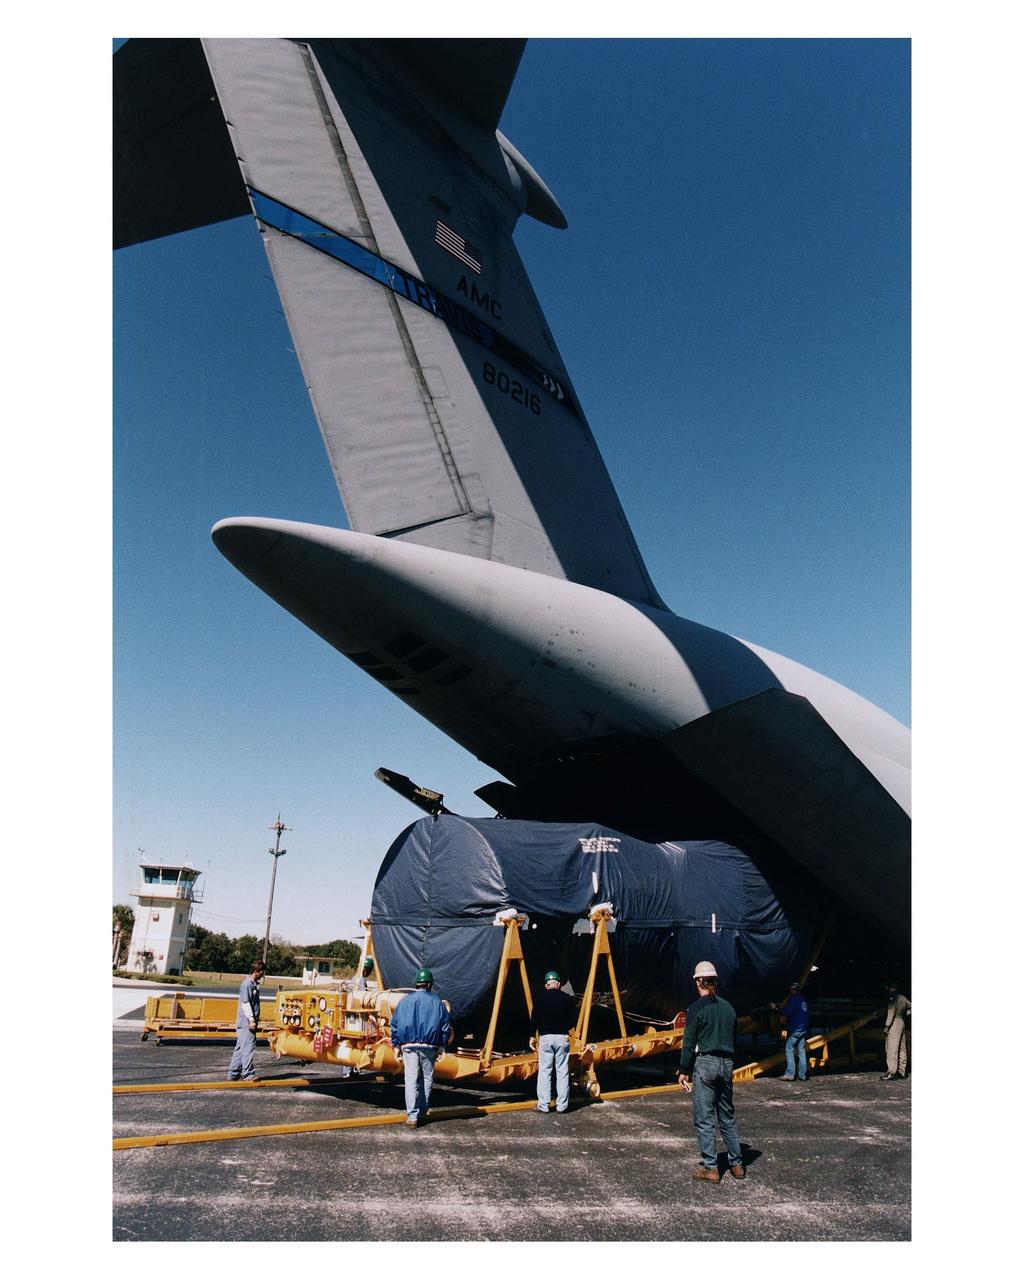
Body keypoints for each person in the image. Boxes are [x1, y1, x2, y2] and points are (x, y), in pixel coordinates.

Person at [678, 961, 745, 1182]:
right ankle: (737, 1164)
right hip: (727, 1064)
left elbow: (688, 1043)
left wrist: (684, 1070)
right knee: (727, 1115)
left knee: (704, 1117)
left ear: (698, 981)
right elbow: (734, 1038)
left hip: (705, 1063)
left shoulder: (697, 1007)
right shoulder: (729, 1008)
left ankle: (711, 1168)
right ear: (715, 981)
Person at [389, 966, 452, 1126]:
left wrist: (396, 1044)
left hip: (408, 1045)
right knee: (427, 1079)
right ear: (429, 984)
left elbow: (395, 1024)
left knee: (410, 1079)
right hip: (429, 1046)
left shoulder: (404, 1001)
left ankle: (412, 1116)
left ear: (417, 983)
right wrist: (442, 1045)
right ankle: (423, 1111)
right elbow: (444, 1025)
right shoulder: (437, 1002)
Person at [530, 970, 577, 1113]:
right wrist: (564, 1027)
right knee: (562, 1071)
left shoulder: (540, 999)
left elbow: (534, 1019)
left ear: (546, 985)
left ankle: (543, 1105)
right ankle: (562, 1106)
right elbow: (573, 1020)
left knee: (545, 1071)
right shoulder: (568, 999)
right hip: (562, 1037)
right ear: (558, 983)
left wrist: (532, 1036)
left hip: (545, 1038)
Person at [227, 959, 265, 1081]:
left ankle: (233, 1073)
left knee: (240, 1048)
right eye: (262, 972)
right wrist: (251, 1020)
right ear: (256, 971)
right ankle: (248, 1074)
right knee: (248, 1047)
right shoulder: (247, 985)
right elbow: (245, 1003)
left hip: (246, 1022)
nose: (263, 975)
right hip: (246, 1023)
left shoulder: (253, 985)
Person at [779, 982, 811, 1081]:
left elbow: (787, 1012)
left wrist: (779, 1009)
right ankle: (803, 1075)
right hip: (803, 1029)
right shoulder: (804, 1000)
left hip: (796, 1029)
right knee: (801, 1051)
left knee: (789, 1049)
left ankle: (790, 1074)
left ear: (792, 990)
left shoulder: (794, 999)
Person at [881, 982, 911, 1080]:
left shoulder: (893, 998)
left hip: (894, 1023)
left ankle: (892, 1072)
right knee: (902, 1048)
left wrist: (886, 1026)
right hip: (902, 1022)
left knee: (891, 1048)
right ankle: (902, 1072)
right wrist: (906, 1014)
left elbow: (891, 1013)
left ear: (892, 989)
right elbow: (912, 1007)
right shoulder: (903, 998)